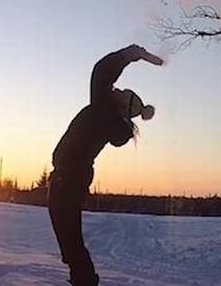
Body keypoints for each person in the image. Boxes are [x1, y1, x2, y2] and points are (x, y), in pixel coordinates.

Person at [48, 44, 163, 286]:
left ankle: (84, 282)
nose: (116, 89)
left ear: (122, 105)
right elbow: (102, 77)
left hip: (67, 182)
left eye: (121, 91)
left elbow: (100, 72)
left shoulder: (104, 110)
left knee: (71, 244)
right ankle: (82, 280)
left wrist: (128, 55)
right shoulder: (108, 115)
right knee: (70, 244)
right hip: (70, 182)